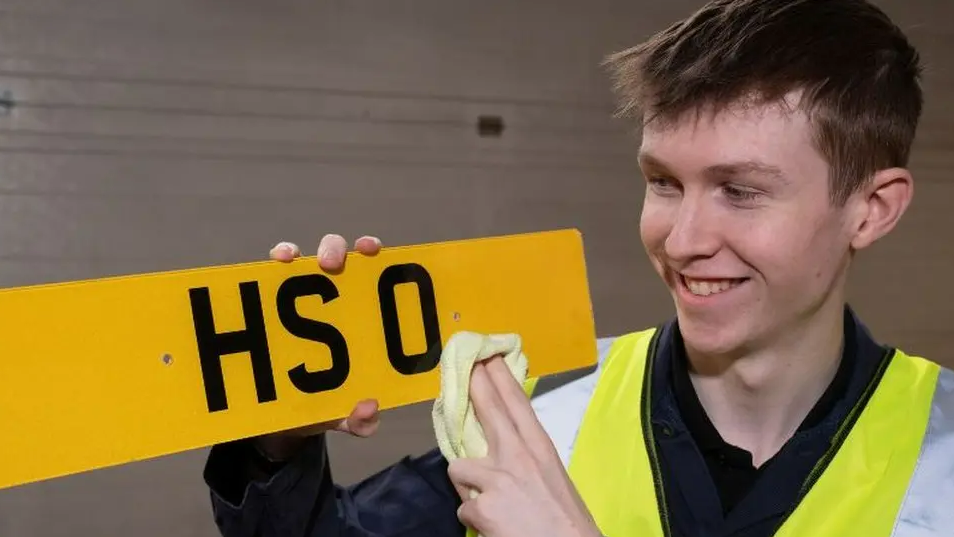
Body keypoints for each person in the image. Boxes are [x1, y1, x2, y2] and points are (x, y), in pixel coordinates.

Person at [202, 0, 954, 535]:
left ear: (872, 208)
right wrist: (282, 444)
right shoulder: (540, 409)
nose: (682, 237)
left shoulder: (942, 464)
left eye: (741, 190)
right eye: (663, 181)